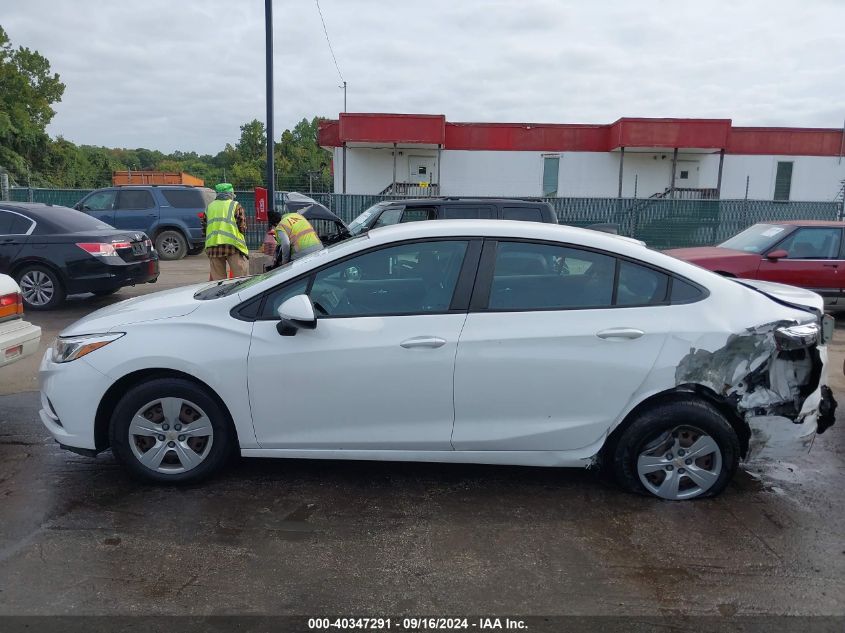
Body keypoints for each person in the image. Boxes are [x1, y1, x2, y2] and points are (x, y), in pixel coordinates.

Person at [202, 183, 248, 280]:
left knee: (218, 281)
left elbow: (204, 228)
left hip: (213, 247)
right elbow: (242, 227)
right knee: (240, 278)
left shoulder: (209, 207)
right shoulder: (235, 205)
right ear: (230, 194)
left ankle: (221, 295)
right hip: (232, 246)